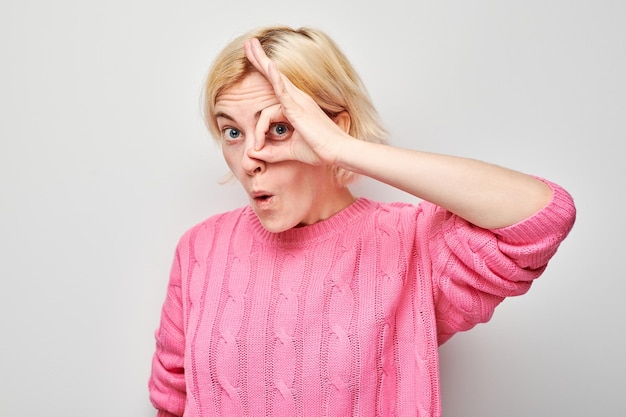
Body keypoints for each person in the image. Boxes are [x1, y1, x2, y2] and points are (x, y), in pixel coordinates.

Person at [148, 25, 576, 417]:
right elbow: (172, 402)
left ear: (332, 127)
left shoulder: (412, 245)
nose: (249, 160)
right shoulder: (200, 249)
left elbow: (543, 217)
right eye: (232, 132)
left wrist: (343, 149)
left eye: (278, 128)